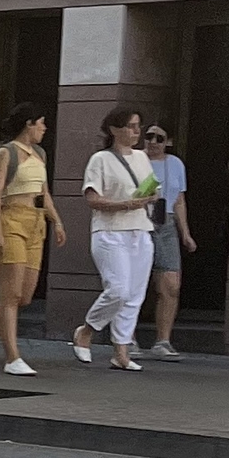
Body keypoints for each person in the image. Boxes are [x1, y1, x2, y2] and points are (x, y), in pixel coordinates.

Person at [0, 101, 63, 374]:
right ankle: (13, 358)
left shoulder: (40, 154)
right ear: (29, 124)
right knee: (10, 294)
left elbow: (43, 192)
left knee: (23, 296)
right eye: (41, 123)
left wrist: (56, 220)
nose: (44, 128)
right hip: (10, 218)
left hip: (35, 222)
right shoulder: (6, 153)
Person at [73, 105, 159, 369]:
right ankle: (87, 330)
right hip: (110, 231)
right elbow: (92, 198)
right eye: (131, 126)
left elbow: (151, 188)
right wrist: (124, 205)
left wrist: (149, 197)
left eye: (138, 126)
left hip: (140, 229)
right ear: (114, 129)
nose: (136, 132)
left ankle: (121, 351)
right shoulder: (101, 159)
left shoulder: (142, 158)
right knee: (118, 290)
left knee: (134, 294)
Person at [142, 117, 194, 357]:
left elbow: (179, 199)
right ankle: (126, 339)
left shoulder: (175, 164)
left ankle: (163, 340)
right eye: (149, 136)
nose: (153, 142)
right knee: (135, 284)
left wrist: (185, 233)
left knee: (171, 284)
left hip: (167, 222)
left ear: (169, 142)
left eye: (159, 138)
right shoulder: (136, 160)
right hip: (141, 221)